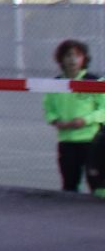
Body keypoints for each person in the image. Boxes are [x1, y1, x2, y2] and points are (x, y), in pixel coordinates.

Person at [45, 39, 104, 194]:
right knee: (69, 185)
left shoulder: (94, 81)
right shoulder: (56, 83)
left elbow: (103, 110)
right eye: (68, 55)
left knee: (96, 185)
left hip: (92, 143)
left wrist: (85, 120)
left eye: (77, 55)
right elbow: (49, 109)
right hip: (67, 142)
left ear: (84, 58)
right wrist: (56, 121)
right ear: (61, 59)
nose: (72, 60)